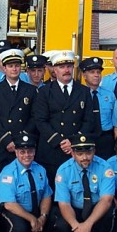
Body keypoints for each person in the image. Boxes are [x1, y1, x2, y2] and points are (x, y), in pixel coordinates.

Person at [33, 50, 94, 186]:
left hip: (76, 150)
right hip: (52, 149)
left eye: (69, 66)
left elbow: (89, 120)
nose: (66, 70)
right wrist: (60, 141)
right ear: (54, 69)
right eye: (61, 67)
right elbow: (40, 120)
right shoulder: (44, 91)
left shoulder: (83, 91)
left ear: (73, 67)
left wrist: (72, 142)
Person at [54, 134, 115, 232]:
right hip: (76, 209)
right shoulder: (63, 171)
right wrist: (76, 226)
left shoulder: (105, 168)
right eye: (80, 154)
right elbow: (64, 204)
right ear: (72, 154)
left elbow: (106, 200)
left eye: (88, 153)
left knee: (108, 214)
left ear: (94, 151)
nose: (85, 158)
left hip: (96, 208)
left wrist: (88, 224)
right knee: (61, 224)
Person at [0, 132, 57, 232]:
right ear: (16, 152)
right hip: (14, 211)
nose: (26, 155)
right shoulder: (8, 173)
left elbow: (46, 195)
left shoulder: (40, 169)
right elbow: (9, 204)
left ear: (34, 152)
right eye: (22, 152)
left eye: (30, 151)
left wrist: (43, 216)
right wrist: (31, 218)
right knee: (19, 228)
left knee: (57, 217)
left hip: (35, 210)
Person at [0, 49, 38, 178]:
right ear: (4, 68)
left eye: (16, 65)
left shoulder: (31, 90)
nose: (14, 69)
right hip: (2, 145)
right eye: (10, 66)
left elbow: (34, 116)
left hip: (24, 145)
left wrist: (21, 140)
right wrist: (7, 140)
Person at [79, 57, 116, 160]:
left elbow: (114, 118)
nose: (96, 75)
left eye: (98, 72)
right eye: (92, 72)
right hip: (86, 137)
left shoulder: (109, 95)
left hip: (106, 138)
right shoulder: (79, 94)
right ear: (84, 75)